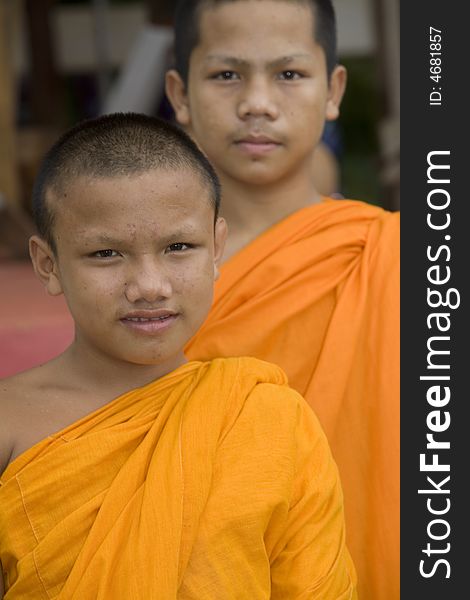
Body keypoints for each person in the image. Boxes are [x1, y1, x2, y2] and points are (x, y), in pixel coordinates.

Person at [0, 113, 356, 599]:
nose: (149, 286)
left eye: (178, 247)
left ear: (216, 250)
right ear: (48, 264)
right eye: (106, 254)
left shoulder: (269, 418)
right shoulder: (9, 422)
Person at [165, 1, 400, 598]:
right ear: (180, 93)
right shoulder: (148, 274)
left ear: (333, 90)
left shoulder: (394, 254)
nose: (258, 103)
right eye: (226, 75)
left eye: (289, 74)